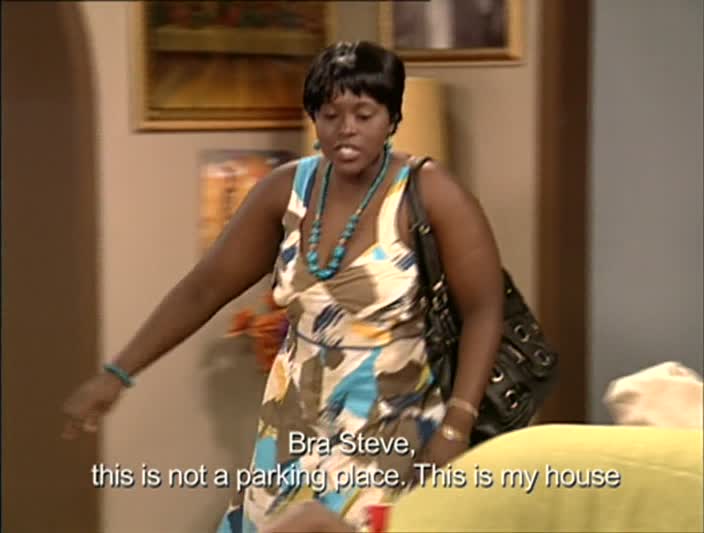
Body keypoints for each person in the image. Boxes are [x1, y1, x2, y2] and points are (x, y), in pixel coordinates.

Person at [61, 41, 504, 532]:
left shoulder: (431, 192)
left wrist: (456, 425)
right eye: (330, 114)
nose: (347, 128)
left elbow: (484, 310)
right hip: (292, 431)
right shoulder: (286, 190)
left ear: (392, 119)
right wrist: (118, 373)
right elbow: (205, 288)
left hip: (393, 427)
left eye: (364, 114)